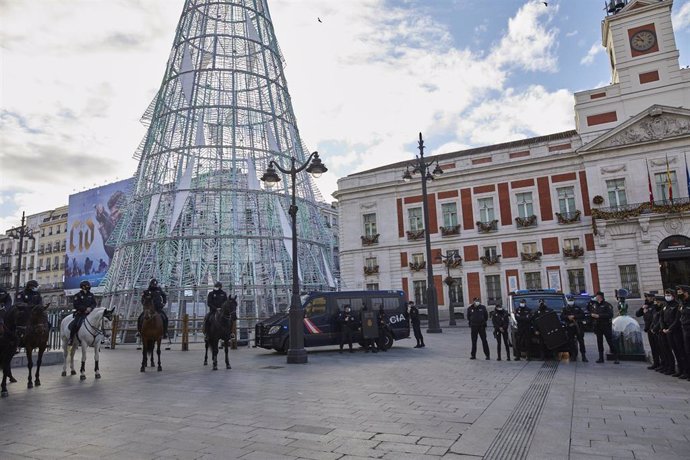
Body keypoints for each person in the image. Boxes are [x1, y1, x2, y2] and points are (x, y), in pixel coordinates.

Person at [661, 288, 687, 379]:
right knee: (675, 351)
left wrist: (670, 328)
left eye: (669, 295)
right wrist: (664, 327)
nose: (667, 296)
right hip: (668, 330)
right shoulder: (666, 305)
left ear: (673, 295)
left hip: (676, 331)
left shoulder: (677, 305)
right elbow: (662, 317)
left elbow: (677, 319)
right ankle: (680, 370)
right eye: (666, 294)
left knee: (681, 351)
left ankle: (685, 370)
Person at [589, 291, 619, 364]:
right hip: (598, 326)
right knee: (599, 342)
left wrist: (599, 316)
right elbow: (591, 312)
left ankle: (616, 357)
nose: (596, 297)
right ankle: (601, 358)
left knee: (610, 341)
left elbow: (610, 315)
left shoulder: (607, 305)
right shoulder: (595, 305)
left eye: (597, 296)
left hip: (606, 326)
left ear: (600, 297)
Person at [68, 280, 97, 346]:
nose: (89, 287)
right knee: (75, 324)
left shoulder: (91, 295)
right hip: (80, 313)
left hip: (90, 313)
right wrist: (84, 309)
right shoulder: (77, 295)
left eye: (88, 285)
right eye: (87, 285)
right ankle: (71, 338)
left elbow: (94, 303)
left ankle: (96, 339)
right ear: (83, 287)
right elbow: (76, 305)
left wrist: (90, 308)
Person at [636, 292, 659, 370]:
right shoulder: (646, 306)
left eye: (648, 297)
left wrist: (647, 311)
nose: (646, 298)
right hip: (648, 329)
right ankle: (656, 363)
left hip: (655, 330)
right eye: (645, 297)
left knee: (658, 347)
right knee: (653, 347)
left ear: (652, 298)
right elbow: (637, 314)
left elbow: (654, 318)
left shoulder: (655, 306)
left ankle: (662, 363)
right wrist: (642, 308)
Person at [562, 294, 587, 362]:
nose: (571, 301)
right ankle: (573, 355)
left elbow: (582, 315)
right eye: (569, 300)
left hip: (578, 326)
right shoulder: (565, 309)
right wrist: (568, 317)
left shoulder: (577, 308)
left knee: (581, 341)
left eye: (572, 300)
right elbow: (562, 317)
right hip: (570, 327)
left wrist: (574, 316)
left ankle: (583, 356)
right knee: (571, 341)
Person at [651, 294, 673, 375]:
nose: (655, 303)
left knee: (667, 350)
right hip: (659, 331)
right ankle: (665, 365)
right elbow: (656, 320)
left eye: (657, 301)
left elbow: (662, 319)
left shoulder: (664, 308)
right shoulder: (659, 309)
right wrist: (652, 328)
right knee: (662, 350)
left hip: (664, 331)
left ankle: (671, 367)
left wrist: (659, 328)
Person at [677, 284, 690, 381]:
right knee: (686, 351)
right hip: (684, 329)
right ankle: (687, 372)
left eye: (681, 291)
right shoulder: (682, 303)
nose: (679, 293)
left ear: (686, 292)